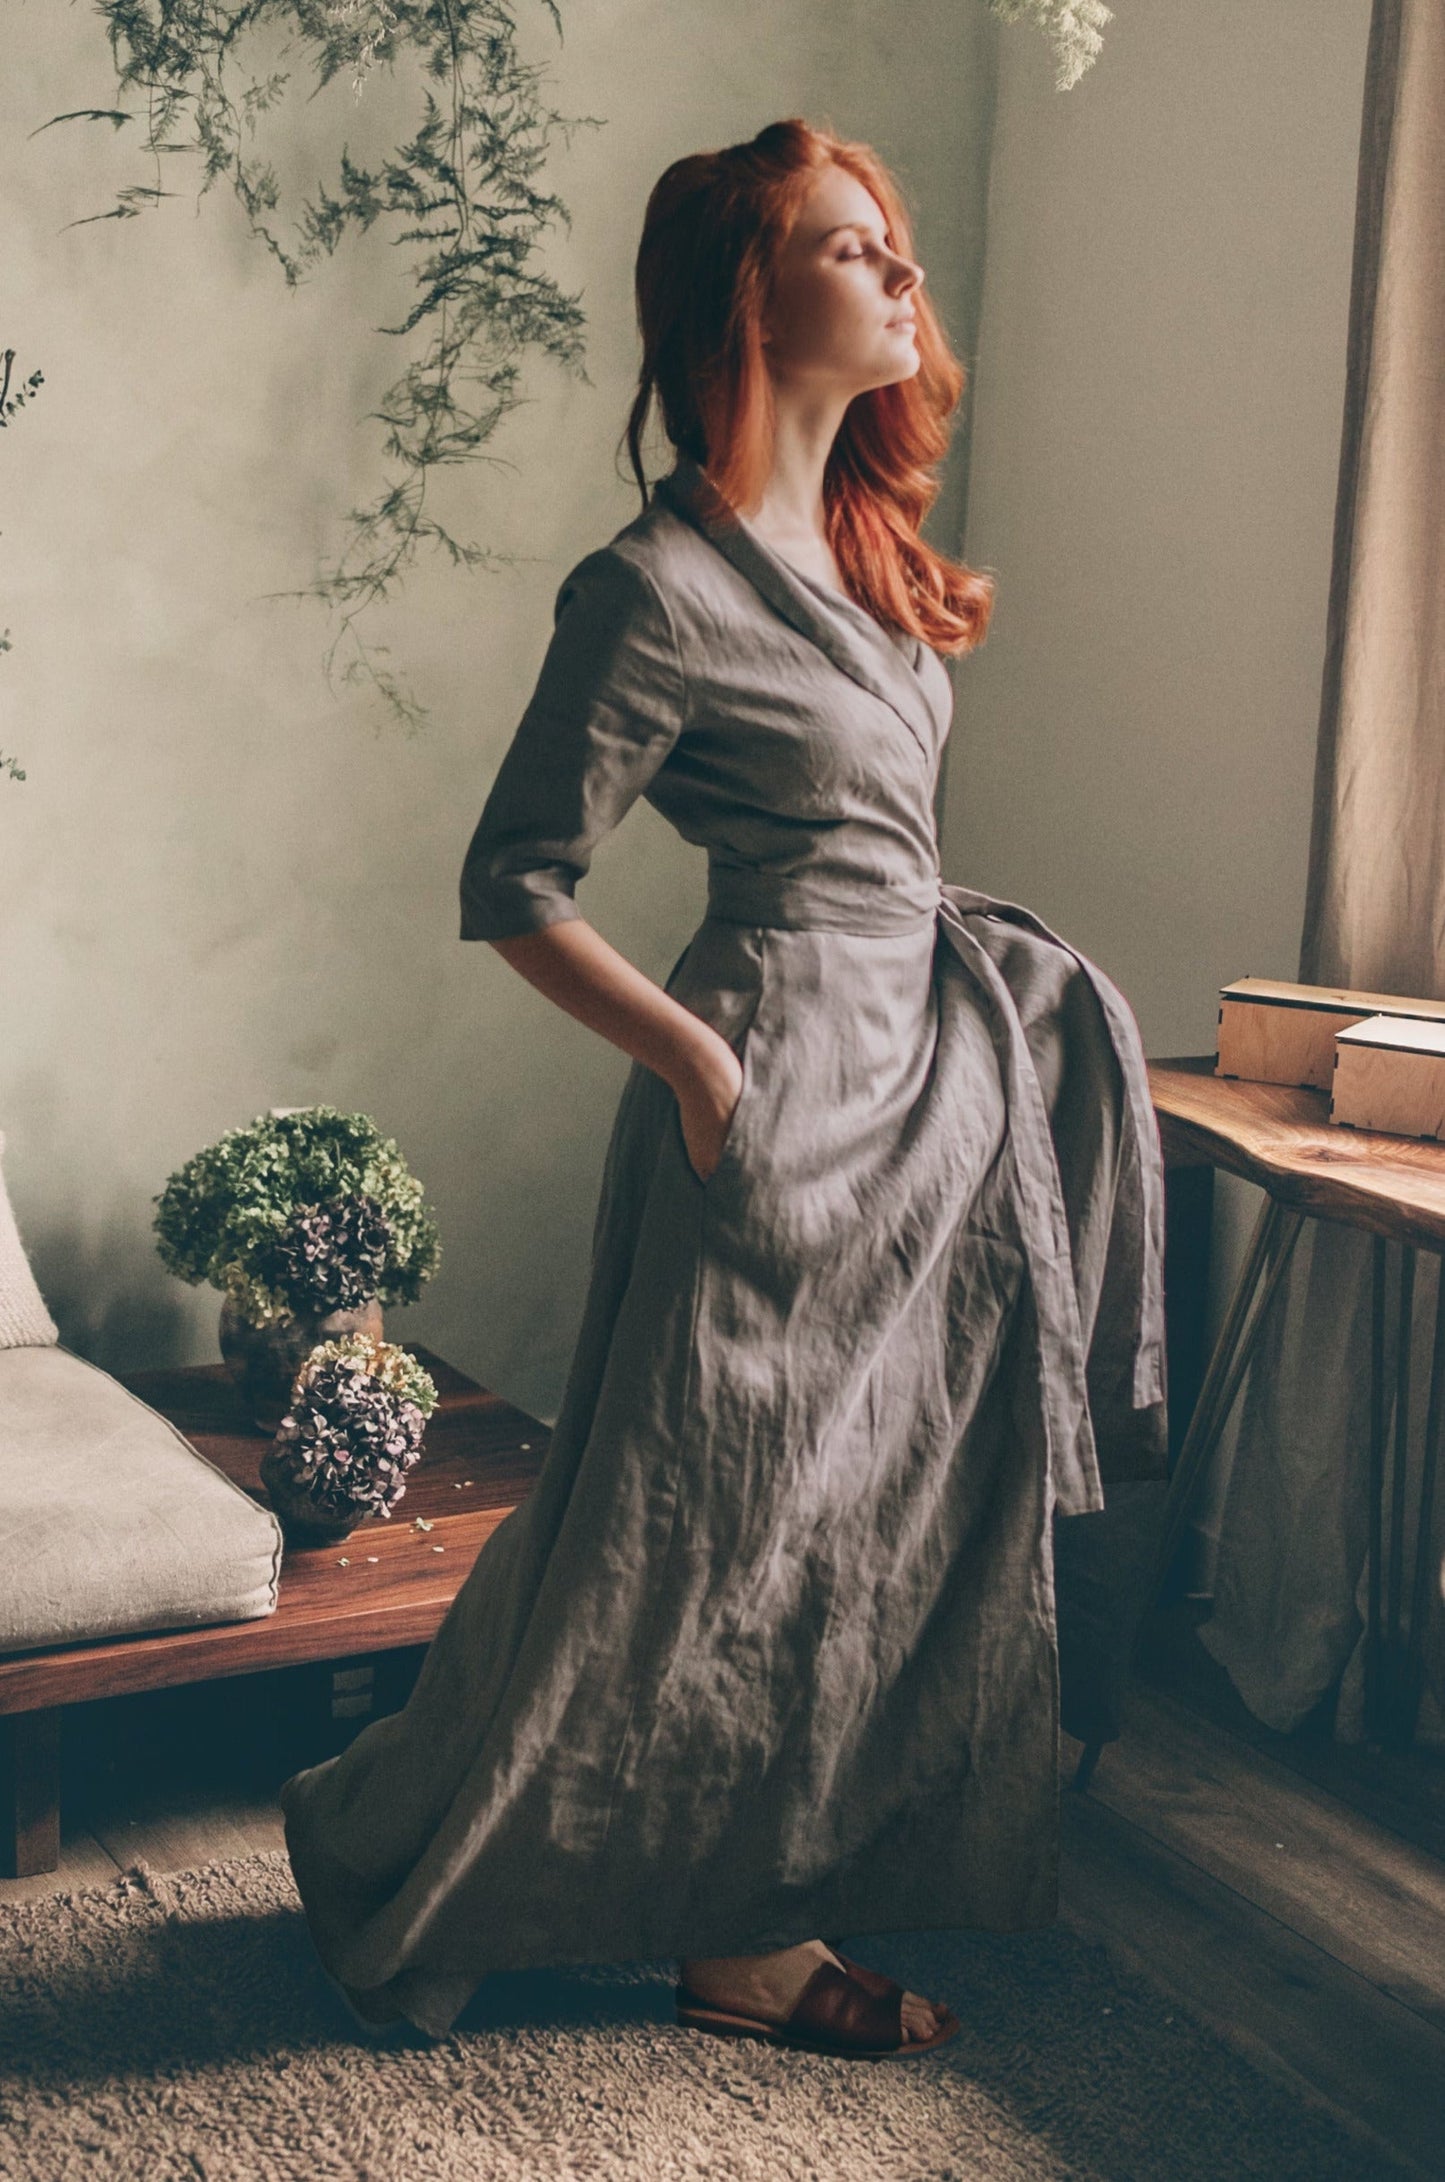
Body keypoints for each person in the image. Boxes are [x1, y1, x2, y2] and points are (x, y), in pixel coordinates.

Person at [279, 116, 1169, 2062]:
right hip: (770, 1112)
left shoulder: (853, 549)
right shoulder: (655, 588)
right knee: (674, 1536)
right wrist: (696, 1065)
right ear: (742, 297)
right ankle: (416, 1856)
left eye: (893, 240)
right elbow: (513, 878)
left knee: (845, 1530)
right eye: (855, 245)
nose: (900, 273)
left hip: (923, 1099)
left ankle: (742, 1920)